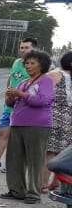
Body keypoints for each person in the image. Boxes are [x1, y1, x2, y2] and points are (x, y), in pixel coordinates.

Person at [1, 50, 54, 204]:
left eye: (32, 63)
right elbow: (11, 104)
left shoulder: (46, 81)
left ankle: (33, 193)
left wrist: (21, 94)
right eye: (26, 63)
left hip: (37, 125)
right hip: (18, 123)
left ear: (42, 65)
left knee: (34, 160)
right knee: (14, 158)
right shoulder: (24, 83)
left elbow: (42, 101)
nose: (28, 66)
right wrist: (10, 97)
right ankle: (16, 190)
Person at [0, 36, 36, 169]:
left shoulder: (35, 66)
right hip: (10, 105)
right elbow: (11, 78)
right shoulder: (16, 62)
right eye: (21, 47)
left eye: (27, 47)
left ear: (34, 49)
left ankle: (15, 165)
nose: (23, 50)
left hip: (24, 107)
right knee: (3, 132)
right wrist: (7, 93)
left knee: (19, 138)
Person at [43, 52, 72, 191]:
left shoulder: (55, 74)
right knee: (61, 153)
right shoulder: (66, 76)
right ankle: (54, 181)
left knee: (49, 152)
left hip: (54, 117)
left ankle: (42, 183)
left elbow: (44, 93)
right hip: (67, 119)